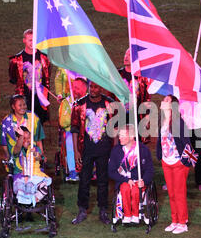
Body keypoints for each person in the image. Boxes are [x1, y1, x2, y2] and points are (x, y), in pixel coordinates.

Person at [71, 82, 115, 225]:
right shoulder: (79, 104)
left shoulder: (109, 104)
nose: (94, 90)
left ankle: (103, 210)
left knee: (103, 180)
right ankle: (82, 209)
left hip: (104, 149)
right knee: (84, 180)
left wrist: (114, 150)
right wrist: (76, 151)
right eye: (92, 87)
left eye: (97, 87)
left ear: (101, 87)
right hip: (86, 149)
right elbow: (75, 129)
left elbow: (115, 128)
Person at [156, 95, 194, 234]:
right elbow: (160, 141)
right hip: (167, 162)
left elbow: (187, 143)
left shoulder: (178, 122)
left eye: (166, 100)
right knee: (171, 193)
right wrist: (160, 156)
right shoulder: (163, 121)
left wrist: (185, 161)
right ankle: (175, 220)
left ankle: (183, 223)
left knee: (179, 193)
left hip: (178, 162)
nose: (162, 101)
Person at [108, 124, 154, 224]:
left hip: (138, 180)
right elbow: (111, 171)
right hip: (123, 180)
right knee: (125, 188)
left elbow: (149, 169)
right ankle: (127, 215)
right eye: (119, 135)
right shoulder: (116, 150)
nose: (119, 137)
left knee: (135, 190)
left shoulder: (143, 150)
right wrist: (125, 180)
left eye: (123, 135)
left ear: (132, 136)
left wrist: (144, 180)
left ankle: (136, 215)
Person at [9, 29, 51, 124]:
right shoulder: (17, 60)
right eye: (30, 40)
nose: (32, 42)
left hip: (40, 98)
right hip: (24, 97)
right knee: (24, 123)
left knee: (39, 124)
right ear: (24, 40)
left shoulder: (44, 58)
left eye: (34, 40)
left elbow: (47, 76)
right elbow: (13, 77)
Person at [11, 126, 52, 207]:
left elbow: (39, 158)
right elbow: (17, 149)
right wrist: (21, 136)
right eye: (23, 138)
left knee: (44, 187)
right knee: (22, 186)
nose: (26, 140)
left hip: (34, 176)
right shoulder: (17, 149)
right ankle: (24, 199)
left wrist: (35, 153)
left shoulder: (34, 148)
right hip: (21, 178)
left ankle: (34, 199)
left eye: (28, 138)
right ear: (18, 139)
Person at [58, 77, 88, 182]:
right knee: (70, 142)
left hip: (86, 131)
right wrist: (73, 116)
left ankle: (91, 169)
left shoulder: (87, 101)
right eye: (73, 87)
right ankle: (73, 171)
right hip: (71, 131)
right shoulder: (66, 103)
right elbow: (62, 122)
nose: (75, 90)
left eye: (78, 88)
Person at [1, 95, 45, 161]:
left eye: (24, 104)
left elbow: (38, 138)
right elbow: (4, 142)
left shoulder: (33, 117)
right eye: (20, 105)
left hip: (32, 156)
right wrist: (7, 156)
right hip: (16, 158)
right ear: (13, 107)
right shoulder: (7, 121)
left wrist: (41, 154)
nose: (23, 107)